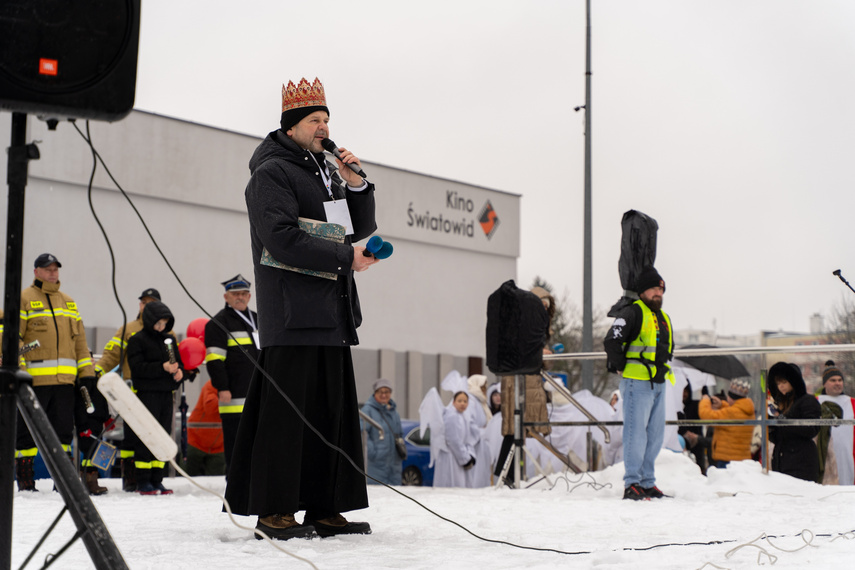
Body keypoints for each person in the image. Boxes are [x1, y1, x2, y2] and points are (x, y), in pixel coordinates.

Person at [224, 77, 378, 541]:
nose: (323, 127)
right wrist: (343, 258)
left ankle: (325, 507)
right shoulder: (270, 174)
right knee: (287, 418)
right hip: (292, 315)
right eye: (314, 119)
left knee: (330, 414)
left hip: (331, 313)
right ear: (291, 126)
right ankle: (275, 511)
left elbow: (356, 230)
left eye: (327, 119)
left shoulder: (327, 171)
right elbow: (282, 239)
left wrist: (357, 185)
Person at [16, 253, 96, 492]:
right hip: (34, 381)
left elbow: (80, 343)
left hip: (65, 383)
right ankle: (25, 479)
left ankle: (62, 481)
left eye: (55, 269)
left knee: (63, 432)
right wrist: (21, 369)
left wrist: (88, 373)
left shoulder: (69, 302)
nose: (52, 273)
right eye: (47, 269)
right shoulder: (24, 299)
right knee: (27, 432)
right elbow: (14, 339)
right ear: (36, 272)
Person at [604, 266, 674, 500]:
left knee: (655, 434)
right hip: (637, 382)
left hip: (658, 382)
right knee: (636, 434)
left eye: (661, 289)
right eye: (654, 288)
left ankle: (647, 482)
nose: (658, 293)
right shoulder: (632, 312)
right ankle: (632, 482)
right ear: (643, 290)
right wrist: (620, 366)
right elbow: (611, 341)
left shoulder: (663, 318)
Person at [93, 287, 162, 492]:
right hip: (133, 393)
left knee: (156, 436)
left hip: (159, 393)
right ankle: (130, 479)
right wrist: (96, 371)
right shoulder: (129, 328)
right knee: (131, 437)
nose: (146, 306)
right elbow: (112, 354)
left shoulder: (166, 330)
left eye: (151, 303)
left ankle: (153, 478)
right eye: (143, 303)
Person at [127, 301, 186, 495]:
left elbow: (177, 362)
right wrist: (162, 367)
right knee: (146, 436)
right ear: (150, 320)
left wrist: (179, 374)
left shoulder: (169, 340)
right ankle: (143, 481)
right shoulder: (137, 340)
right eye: (158, 323)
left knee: (161, 436)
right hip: (146, 394)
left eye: (165, 324)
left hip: (165, 394)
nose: (161, 327)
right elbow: (137, 368)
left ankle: (157, 478)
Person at [204, 274, 259, 470]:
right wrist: (222, 387)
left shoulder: (259, 319)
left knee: (258, 443)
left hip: (259, 395)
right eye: (235, 294)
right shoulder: (218, 323)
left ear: (250, 297)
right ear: (226, 297)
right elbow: (214, 360)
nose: (240, 297)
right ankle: (235, 481)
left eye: (244, 294)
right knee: (236, 443)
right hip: (233, 397)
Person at [767, 361, 821, 482]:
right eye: (778, 383)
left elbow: (811, 429)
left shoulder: (807, 401)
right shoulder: (782, 405)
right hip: (781, 461)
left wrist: (782, 420)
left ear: (794, 381)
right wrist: (771, 426)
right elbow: (777, 438)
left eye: (784, 382)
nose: (781, 386)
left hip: (801, 462)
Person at [698, 378, 755, 468]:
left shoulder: (731, 413)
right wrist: (721, 404)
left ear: (731, 397)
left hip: (727, 460)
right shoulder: (747, 411)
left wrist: (705, 400)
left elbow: (707, 416)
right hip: (741, 459)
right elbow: (734, 413)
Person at [360, 379, 403, 486]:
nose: (384, 395)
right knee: (378, 497)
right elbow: (362, 433)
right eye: (381, 392)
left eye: (387, 392)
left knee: (395, 498)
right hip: (376, 465)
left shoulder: (394, 412)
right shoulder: (367, 410)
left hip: (394, 466)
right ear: (375, 393)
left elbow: (400, 434)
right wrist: (373, 453)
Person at [816, 361, 854, 485]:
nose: (837, 383)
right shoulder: (815, 403)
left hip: (848, 458)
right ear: (824, 384)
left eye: (840, 380)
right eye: (833, 380)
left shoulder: (852, 403)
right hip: (824, 458)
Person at [434, 391, 479, 488]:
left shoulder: (462, 416)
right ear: (453, 402)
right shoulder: (451, 416)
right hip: (451, 457)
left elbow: (466, 439)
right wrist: (464, 458)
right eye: (459, 401)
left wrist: (470, 454)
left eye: (465, 401)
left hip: (458, 457)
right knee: (452, 486)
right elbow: (453, 440)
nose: (462, 403)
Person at [184, 380, 226, 476]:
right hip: (195, 441)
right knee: (187, 478)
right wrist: (227, 398)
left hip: (219, 446)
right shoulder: (212, 385)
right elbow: (210, 407)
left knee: (215, 481)